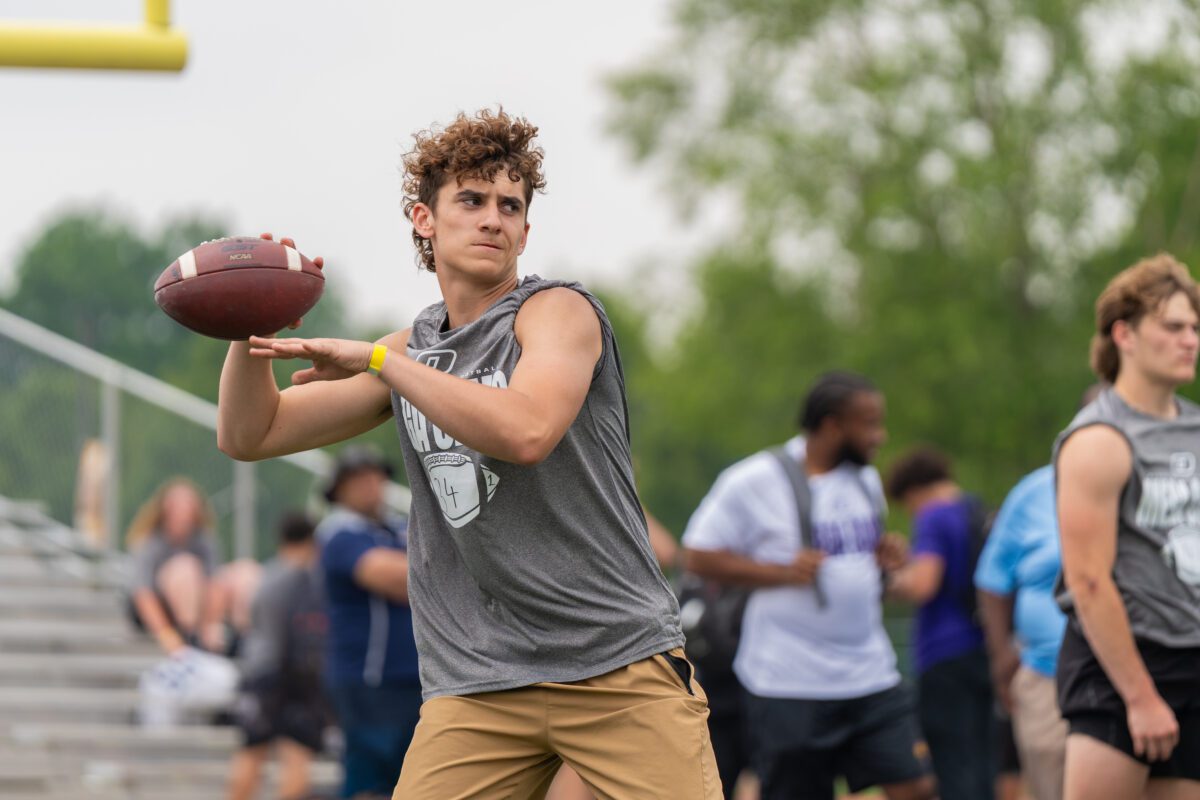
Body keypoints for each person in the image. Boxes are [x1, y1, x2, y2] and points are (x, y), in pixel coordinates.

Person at [216, 108, 719, 799]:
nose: (493, 219)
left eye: (509, 206)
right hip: (479, 681)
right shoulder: (408, 350)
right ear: (424, 220)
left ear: (525, 231)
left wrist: (380, 362)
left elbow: (526, 430)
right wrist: (249, 329)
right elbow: (252, 435)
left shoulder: (557, 312)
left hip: (616, 661)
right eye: (472, 200)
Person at [682, 371, 935, 800]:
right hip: (788, 680)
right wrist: (779, 572)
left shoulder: (865, 480)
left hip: (870, 672)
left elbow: (857, 558)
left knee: (916, 784)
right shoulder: (755, 479)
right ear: (834, 425)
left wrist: (883, 557)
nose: (880, 435)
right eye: (870, 423)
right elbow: (697, 555)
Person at [1055, 253, 1200, 800]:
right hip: (1122, 664)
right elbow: (1088, 582)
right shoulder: (1099, 440)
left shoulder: (1195, 428)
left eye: (1194, 328)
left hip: (1191, 654)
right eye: (1173, 326)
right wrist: (1139, 697)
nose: (1190, 339)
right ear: (1125, 334)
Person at [974, 385, 1106, 800]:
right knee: (1053, 786)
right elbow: (993, 577)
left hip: (1144, 675)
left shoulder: (1160, 488)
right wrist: (1002, 656)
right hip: (1047, 676)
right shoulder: (1034, 491)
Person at [883, 446, 994, 800]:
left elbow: (924, 583)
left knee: (951, 761)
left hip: (944, 653)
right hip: (984, 648)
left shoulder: (933, 516)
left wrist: (882, 579)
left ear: (913, 491)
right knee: (983, 759)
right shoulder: (976, 509)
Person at [317, 445, 420, 800]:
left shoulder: (400, 529)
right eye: (357, 478)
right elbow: (396, 578)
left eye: (374, 475)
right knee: (366, 777)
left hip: (414, 677)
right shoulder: (338, 534)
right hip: (366, 677)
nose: (369, 484)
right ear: (339, 489)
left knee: (412, 778)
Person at [227, 512, 329, 800]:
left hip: (260, 672)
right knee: (297, 755)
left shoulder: (267, 576)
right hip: (290, 675)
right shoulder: (304, 579)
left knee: (251, 752)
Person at [125, 477, 224, 655]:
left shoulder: (204, 541)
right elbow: (142, 593)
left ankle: (234, 638)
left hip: (192, 608)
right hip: (152, 610)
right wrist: (165, 633)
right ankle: (190, 638)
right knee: (184, 568)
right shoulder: (150, 543)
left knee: (244, 572)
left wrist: (210, 624)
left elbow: (214, 584)